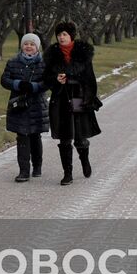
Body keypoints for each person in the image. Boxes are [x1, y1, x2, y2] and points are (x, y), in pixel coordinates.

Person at [41, 22, 101, 186]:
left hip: (78, 98)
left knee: (80, 137)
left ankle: (85, 160)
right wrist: (56, 80)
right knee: (65, 138)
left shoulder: (83, 54)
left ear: (71, 36)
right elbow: (45, 79)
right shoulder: (52, 55)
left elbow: (90, 79)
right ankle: (67, 173)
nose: (61, 37)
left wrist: (87, 97)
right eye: (59, 34)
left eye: (65, 34)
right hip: (60, 99)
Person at [0, 33, 48, 182]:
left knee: (35, 136)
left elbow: (47, 82)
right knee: (22, 137)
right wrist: (18, 84)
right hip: (19, 105)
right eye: (26, 44)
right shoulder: (13, 61)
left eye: (32, 44)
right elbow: (4, 80)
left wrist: (34, 87)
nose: (29, 47)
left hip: (37, 105)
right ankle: (24, 171)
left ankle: (37, 166)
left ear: (37, 47)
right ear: (22, 46)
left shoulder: (43, 63)